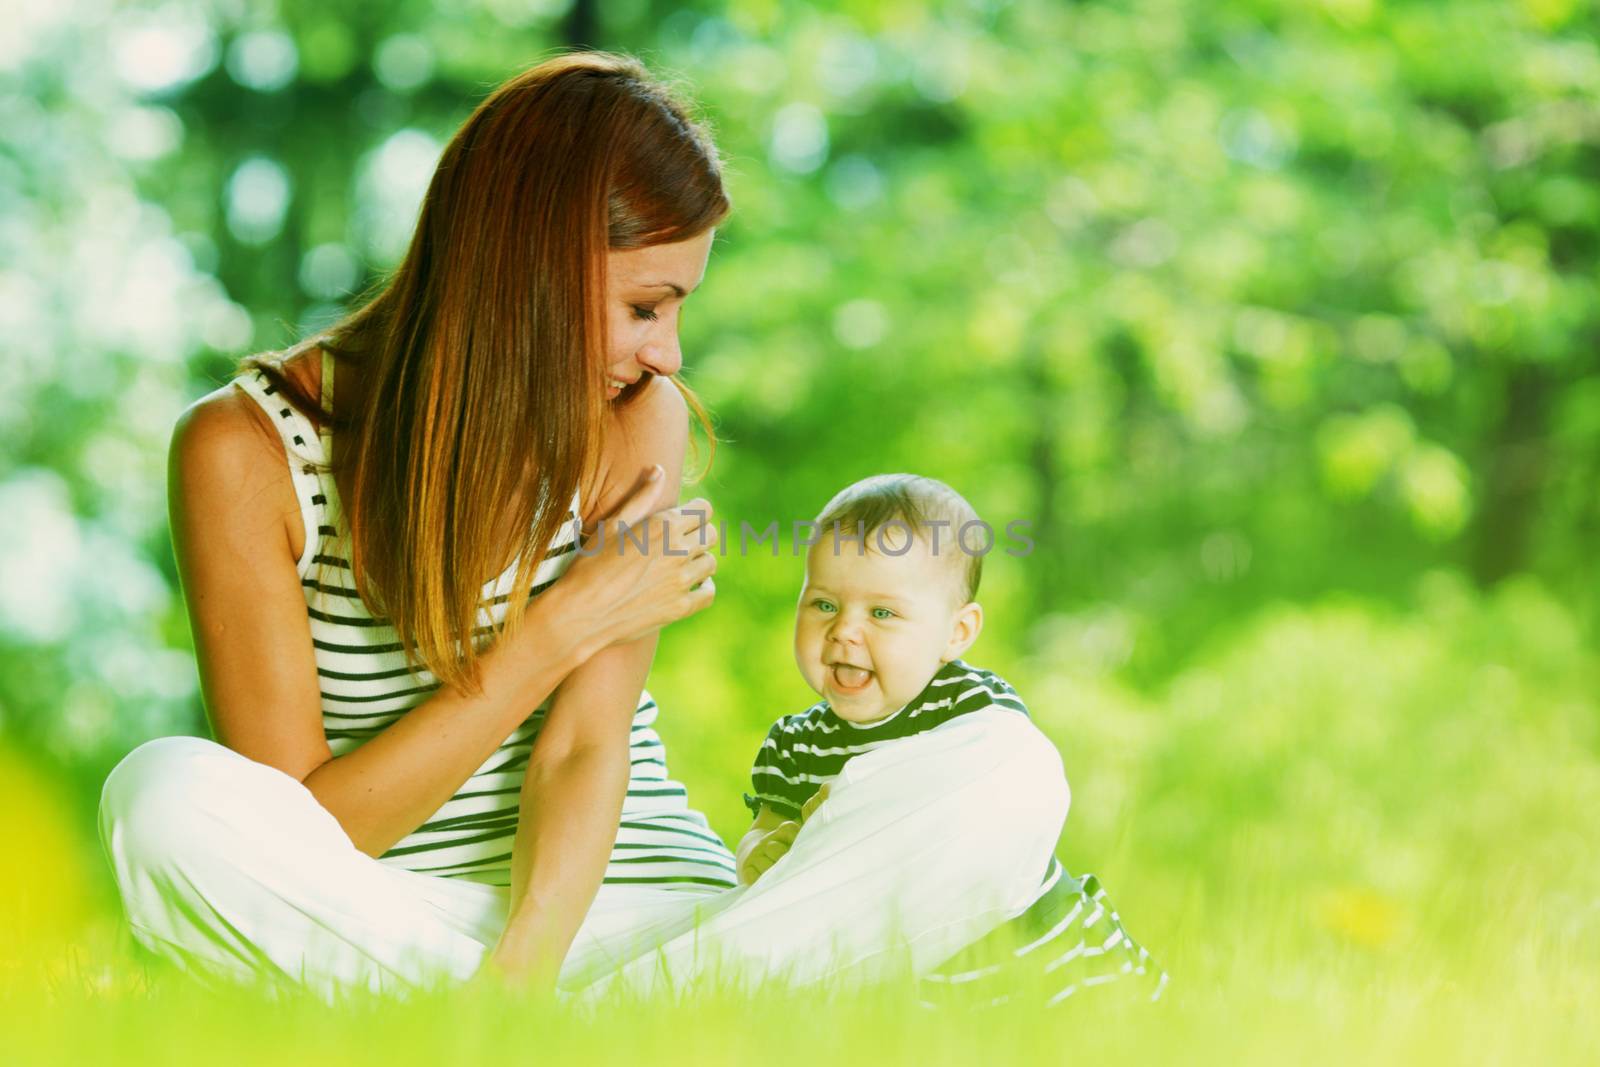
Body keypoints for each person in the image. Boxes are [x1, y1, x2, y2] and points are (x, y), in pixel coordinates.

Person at [96, 52, 1073, 1004]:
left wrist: (523, 976)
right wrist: (560, 625)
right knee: (162, 799)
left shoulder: (631, 411)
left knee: (1007, 770)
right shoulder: (247, 450)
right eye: (645, 305)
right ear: (527, 269)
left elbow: (581, 747)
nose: (669, 350)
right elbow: (309, 828)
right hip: (392, 912)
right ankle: (640, 1026)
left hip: (643, 924)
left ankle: (593, 1019)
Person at [735, 474, 1167, 1006]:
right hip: (921, 983)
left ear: (955, 634)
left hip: (1047, 957)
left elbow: (992, 794)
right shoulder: (795, 743)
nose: (844, 630)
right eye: (824, 604)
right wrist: (762, 853)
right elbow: (766, 827)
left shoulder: (971, 708)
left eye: (882, 613)